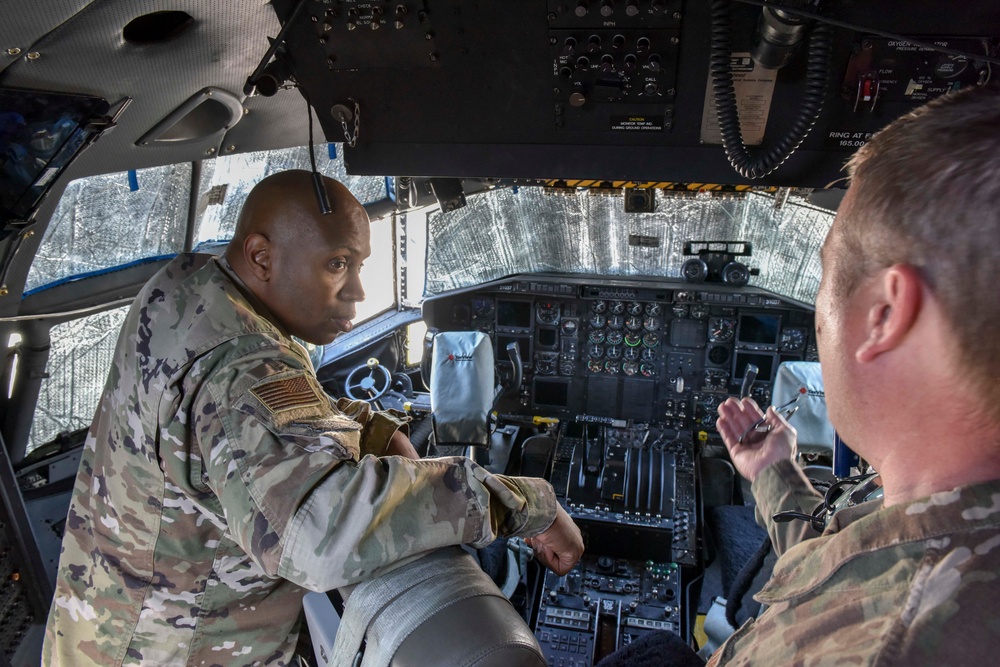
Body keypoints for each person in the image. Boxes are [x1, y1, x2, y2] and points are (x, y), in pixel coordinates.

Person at [42, 170, 584, 666]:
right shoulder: (239, 364)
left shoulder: (193, 287)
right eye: (336, 264)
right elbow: (319, 532)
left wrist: (375, 430)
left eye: (359, 265)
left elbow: (276, 417)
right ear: (262, 257)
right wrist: (524, 502)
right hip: (170, 648)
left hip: (107, 624)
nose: (358, 292)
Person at [601, 84, 1000, 666]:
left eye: (825, 275)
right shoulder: (924, 504)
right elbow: (853, 572)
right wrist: (775, 472)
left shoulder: (890, 647)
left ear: (885, 316)